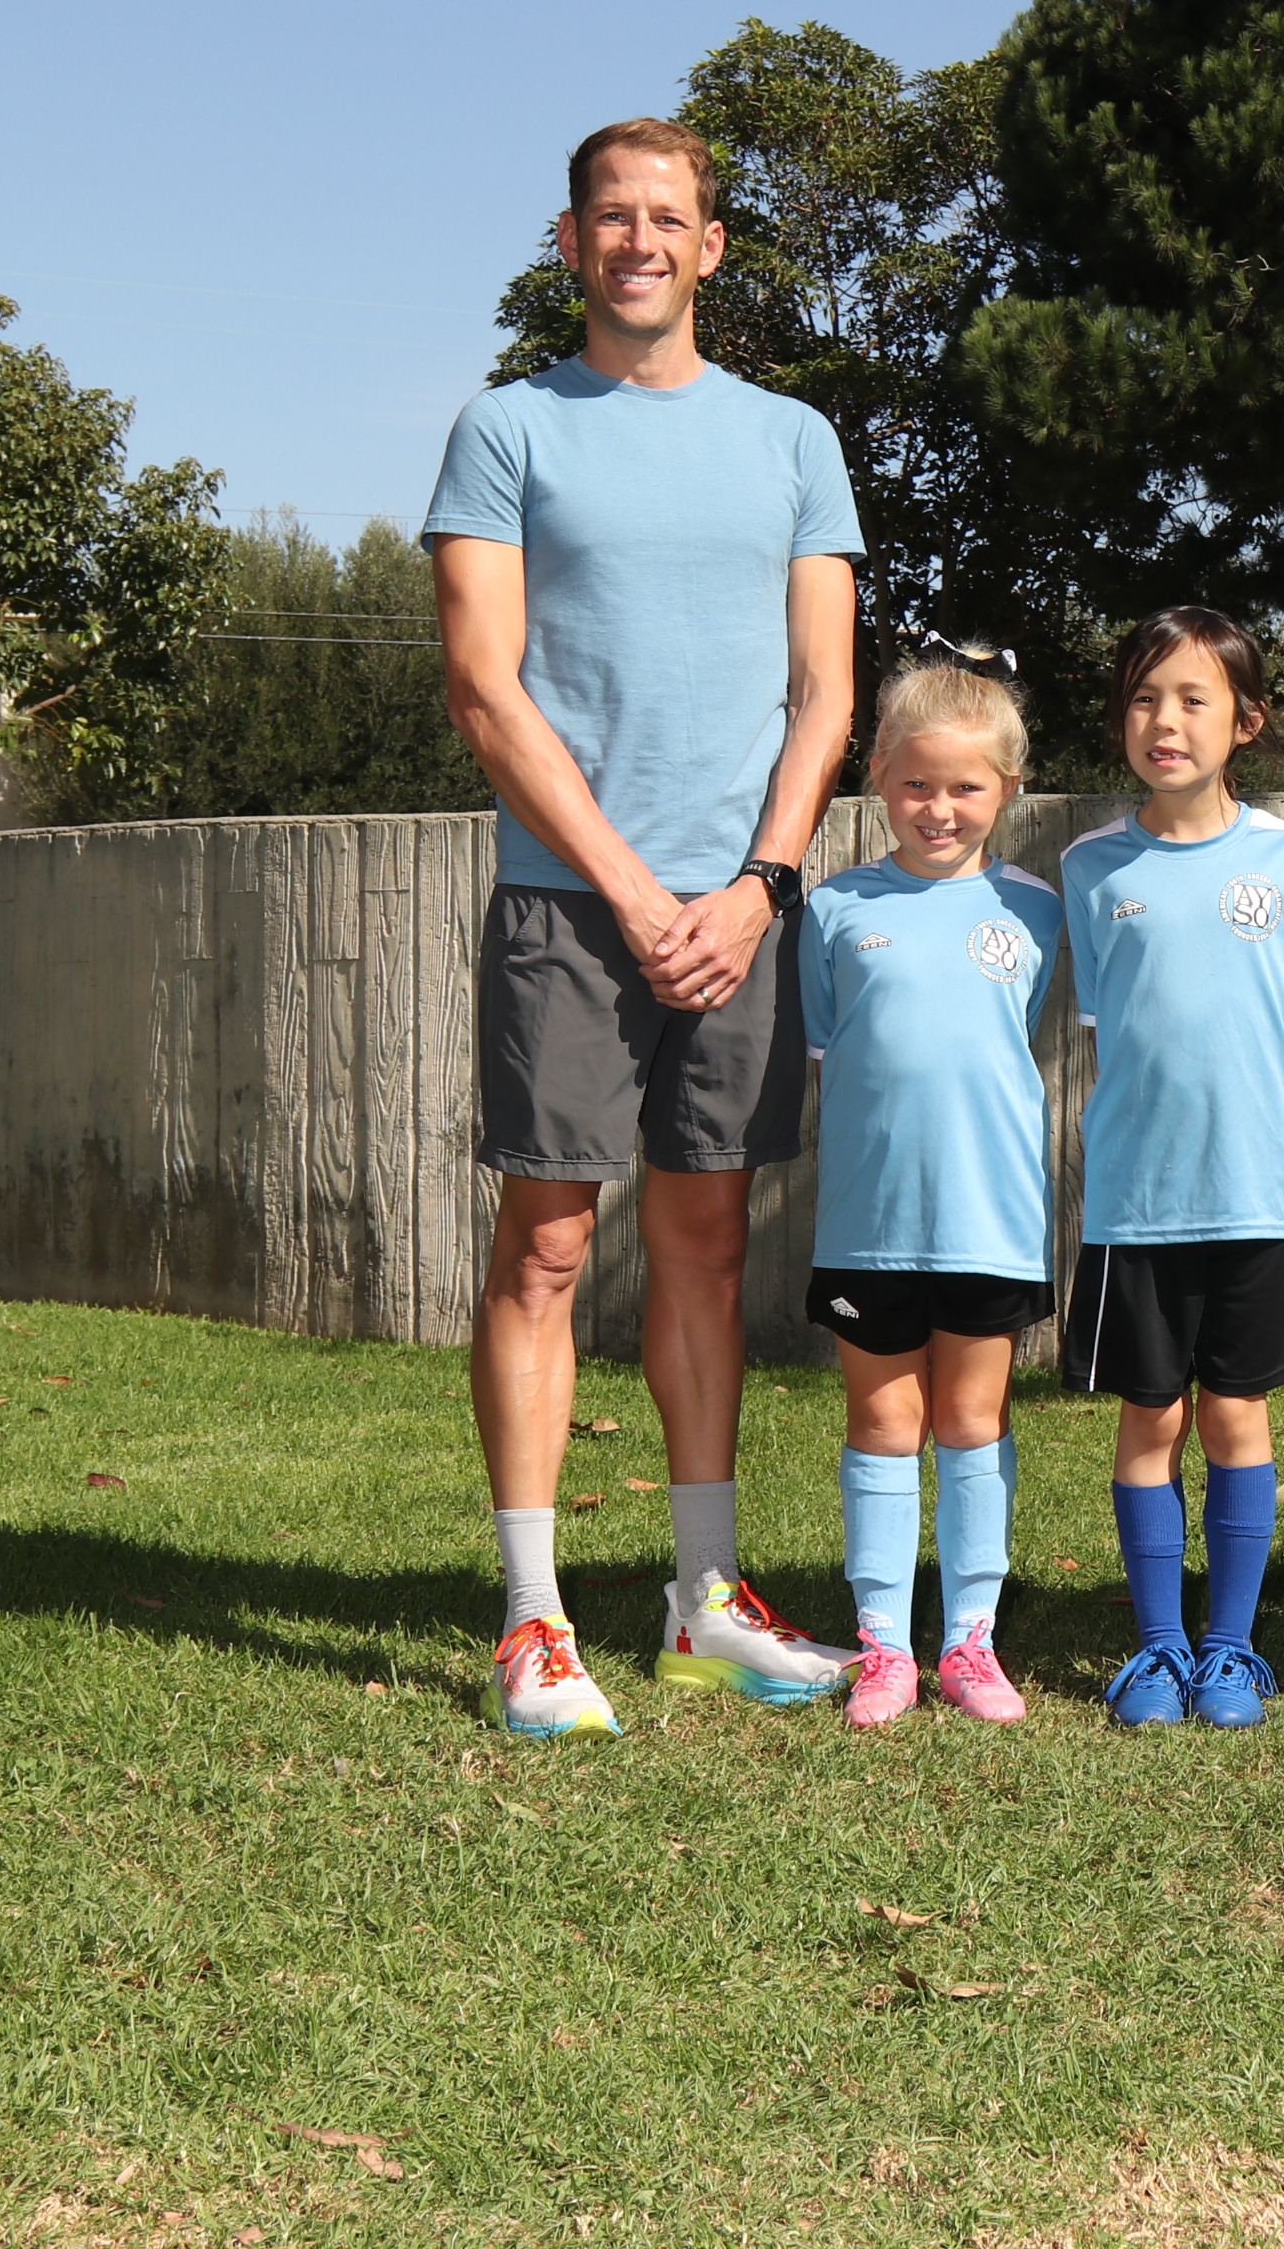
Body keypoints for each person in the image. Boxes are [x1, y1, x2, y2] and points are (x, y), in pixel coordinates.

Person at [428, 116, 862, 1740]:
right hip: (571, 903)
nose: (638, 241)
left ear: (710, 246)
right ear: (570, 242)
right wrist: (629, 887)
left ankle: (702, 1601)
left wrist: (756, 889)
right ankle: (533, 1619)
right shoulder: (506, 429)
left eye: (667, 218)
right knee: (546, 1246)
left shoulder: (793, 442)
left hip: (738, 915)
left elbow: (825, 694)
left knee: (706, 1244)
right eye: (610, 216)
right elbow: (485, 689)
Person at [1060, 609, 1284, 1732]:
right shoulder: (1089, 867)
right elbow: (1107, 1029)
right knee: (1149, 1418)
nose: (1163, 721)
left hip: (1251, 1194)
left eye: (1192, 698)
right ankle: (1161, 1646)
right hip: (1136, 1202)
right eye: (1142, 698)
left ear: (1246, 722)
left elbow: (1276, 1015)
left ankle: (1230, 1649)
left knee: (1238, 1418)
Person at [800, 654, 1060, 1730]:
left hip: (990, 1221)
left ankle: (969, 1641)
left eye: (964, 786)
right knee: (883, 1418)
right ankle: (883, 1645)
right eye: (916, 784)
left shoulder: (1035, 911)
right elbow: (830, 1054)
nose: (938, 808)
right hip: (870, 1225)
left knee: (970, 1417)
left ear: (1008, 788)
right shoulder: (832, 909)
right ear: (877, 777)